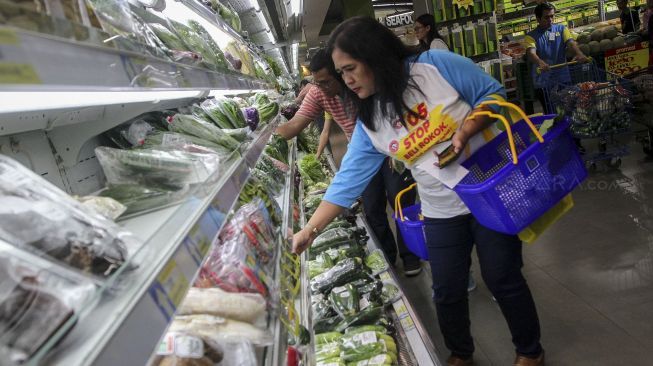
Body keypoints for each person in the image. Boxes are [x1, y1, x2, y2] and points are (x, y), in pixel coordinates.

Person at [292, 16, 545, 366]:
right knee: (447, 289)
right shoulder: (371, 119)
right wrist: (309, 230)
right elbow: (347, 180)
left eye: (350, 69)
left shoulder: (435, 67)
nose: (346, 80)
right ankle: (460, 353)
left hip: (490, 192)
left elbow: (493, 94)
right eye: (341, 73)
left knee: (502, 276)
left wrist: (466, 130)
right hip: (440, 208)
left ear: (375, 56)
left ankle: (529, 350)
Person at [276, 49, 423, 276]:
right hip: (362, 154)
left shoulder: (360, 87)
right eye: (317, 83)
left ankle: (410, 257)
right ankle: (388, 258)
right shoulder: (318, 92)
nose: (321, 87)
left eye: (326, 81)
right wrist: (263, 141)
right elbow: (295, 124)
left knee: (400, 202)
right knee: (373, 207)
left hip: (391, 150)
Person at [524, 2, 588, 114]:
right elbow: (531, 52)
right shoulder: (530, 36)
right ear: (538, 19)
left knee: (569, 108)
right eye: (546, 17)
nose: (550, 19)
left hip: (563, 78)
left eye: (552, 16)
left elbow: (570, 43)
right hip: (543, 81)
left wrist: (578, 53)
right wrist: (540, 62)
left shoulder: (561, 29)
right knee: (551, 112)